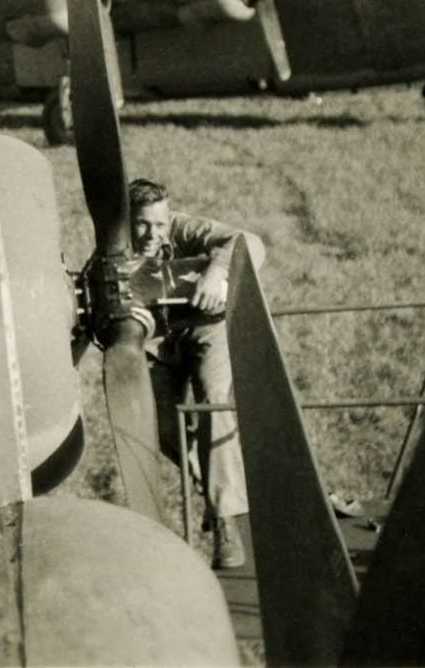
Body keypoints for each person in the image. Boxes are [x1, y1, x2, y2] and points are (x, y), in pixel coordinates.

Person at [125, 177, 266, 570]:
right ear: (126, 219)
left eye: (159, 224)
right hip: (158, 342)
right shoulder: (113, 249)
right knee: (162, 428)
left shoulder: (184, 227)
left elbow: (250, 243)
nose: (152, 234)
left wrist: (215, 271)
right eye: (141, 225)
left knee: (212, 401)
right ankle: (217, 490)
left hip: (207, 329)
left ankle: (224, 522)